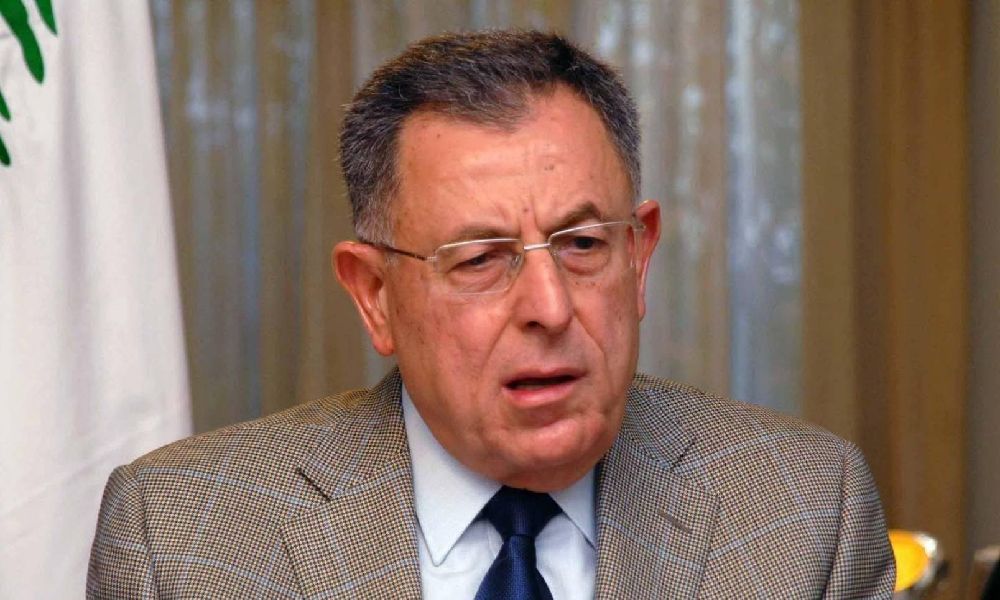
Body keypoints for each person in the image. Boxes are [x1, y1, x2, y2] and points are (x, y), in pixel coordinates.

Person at [87, 30, 895, 598]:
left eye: (582, 244)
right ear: (374, 294)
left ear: (639, 256)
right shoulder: (183, 539)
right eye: (479, 259)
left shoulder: (801, 513)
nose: (550, 307)